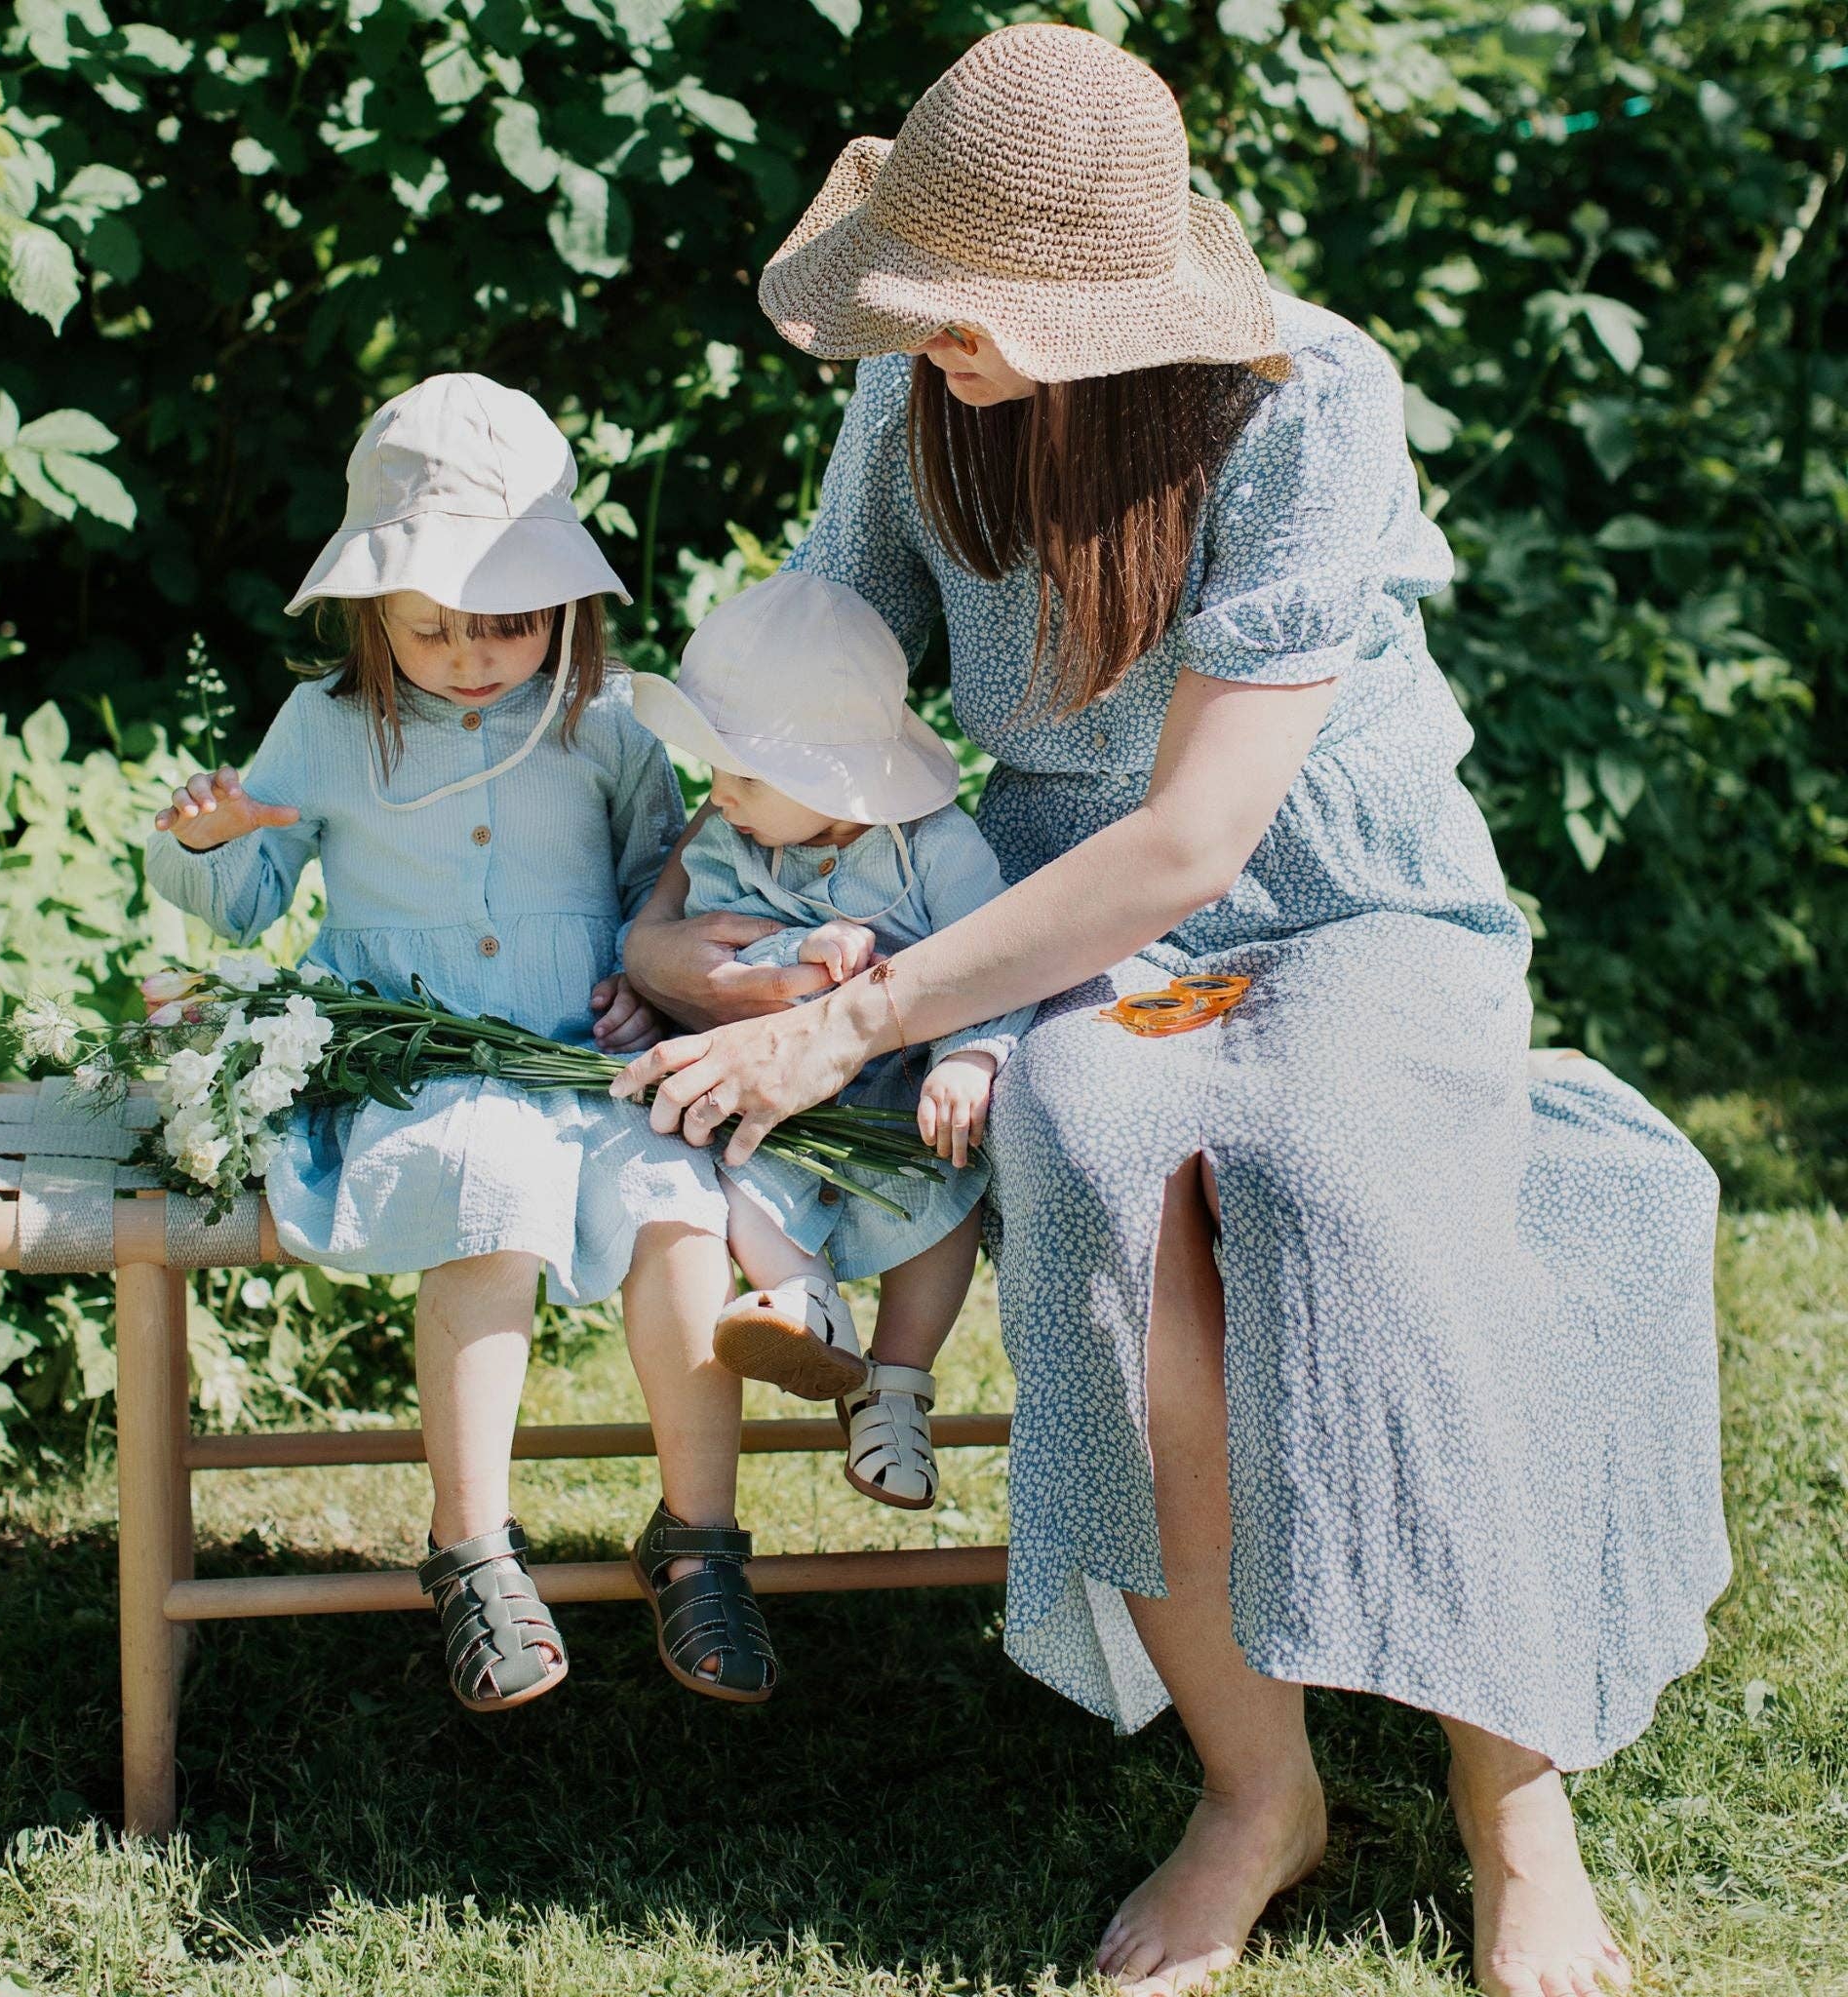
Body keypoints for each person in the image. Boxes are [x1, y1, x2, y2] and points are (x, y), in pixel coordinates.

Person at [613, 23, 1727, 1995]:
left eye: (971, 311)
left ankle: (1510, 1806)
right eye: (914, 298)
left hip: (1338, 899)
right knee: (1093, 1156)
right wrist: (698, 908)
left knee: (1352, 1180)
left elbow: (1199, 838)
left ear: (1108, 295)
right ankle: (1253, 1787)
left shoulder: (1306, 400)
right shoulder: (913, 395)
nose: (930, 339)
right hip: (1059, 919)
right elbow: (822, 673)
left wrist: (847, 1033)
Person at [145, 372, 779, 1711]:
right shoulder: (325, 728)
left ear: (567, 606)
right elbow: (250, 898)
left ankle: (699, 1536)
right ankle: (472, 1543)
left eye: (507, 623)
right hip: (414, 1069)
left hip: (583, 1064)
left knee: (679, 1210)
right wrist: (206, 843)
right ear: (373, 612)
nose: (474, 653)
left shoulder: (603, 729)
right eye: (434, 628)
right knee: (485, 1193)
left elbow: (658, 889)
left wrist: (651, 988)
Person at [629, 569, 1032, 1508]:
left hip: (906, 1095)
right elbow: (712, 949)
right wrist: (788, 948)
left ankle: (896, 1387)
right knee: (734, 1168)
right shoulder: (734, 845)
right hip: (776, 1092)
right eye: (715, 771)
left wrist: (971, 1056)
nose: (717, 796)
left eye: (746, 777)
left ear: (835, 780)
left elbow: (998, 956)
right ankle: (806, 1303)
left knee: (949, 1189)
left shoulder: (937, 848)